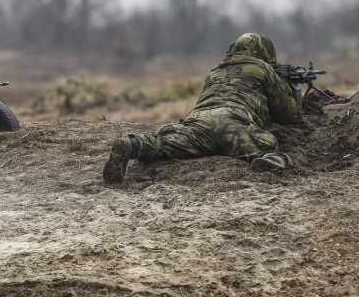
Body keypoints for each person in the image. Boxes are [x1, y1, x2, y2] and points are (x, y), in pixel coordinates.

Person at [102, 32, 302, 184]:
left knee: (163, 144)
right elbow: (288, 115)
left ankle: (133, 144)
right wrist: (294, 90)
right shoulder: (264, 69)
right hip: (234, 122)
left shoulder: (215, 72)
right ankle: (269, 161)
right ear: (265, 54)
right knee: (268, 149)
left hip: (199, 121)